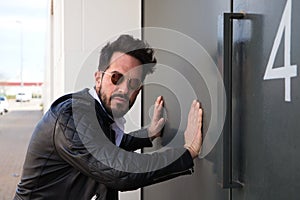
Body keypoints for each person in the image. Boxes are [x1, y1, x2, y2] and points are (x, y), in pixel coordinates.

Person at [14, 35, 203, 200]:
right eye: (116, 77)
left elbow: (108, 146)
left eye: (133, 83)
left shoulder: (99, 116)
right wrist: (188, 152)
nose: (123, 89)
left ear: (138, 91)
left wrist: (149, 133)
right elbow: (118, 170)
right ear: (98, 78)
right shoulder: (71, 116)